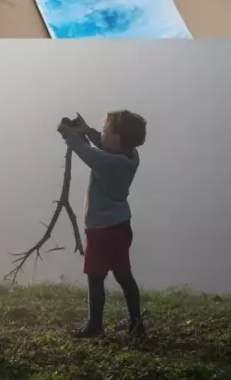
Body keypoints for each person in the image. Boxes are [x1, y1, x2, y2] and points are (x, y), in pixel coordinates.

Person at [57, 110, 147, 339]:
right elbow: (103, 146)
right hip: (121, 226)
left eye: (106, 131)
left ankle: (95, 326)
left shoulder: (108, 163)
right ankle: (136, 322)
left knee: (95, 277)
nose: (102, 134)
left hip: (101, 230)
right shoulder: (131, 156)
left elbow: (88, 153)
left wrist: (69, 134)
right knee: (123, 273)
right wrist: (87, 131)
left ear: (118, 139)